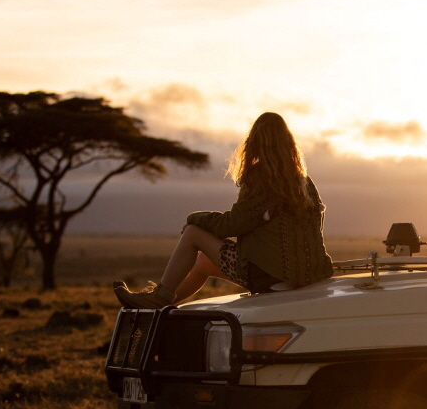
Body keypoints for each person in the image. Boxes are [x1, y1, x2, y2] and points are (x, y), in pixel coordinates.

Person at [114, 112, 333, 308]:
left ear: (254, 143)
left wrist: (196, 218)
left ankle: (160, 296)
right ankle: (161, 307)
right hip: (302, 277)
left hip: (266, 276)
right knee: (203, 263)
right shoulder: (304, 182)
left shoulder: (262, 177)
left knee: (192, 233)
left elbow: (233, 224)